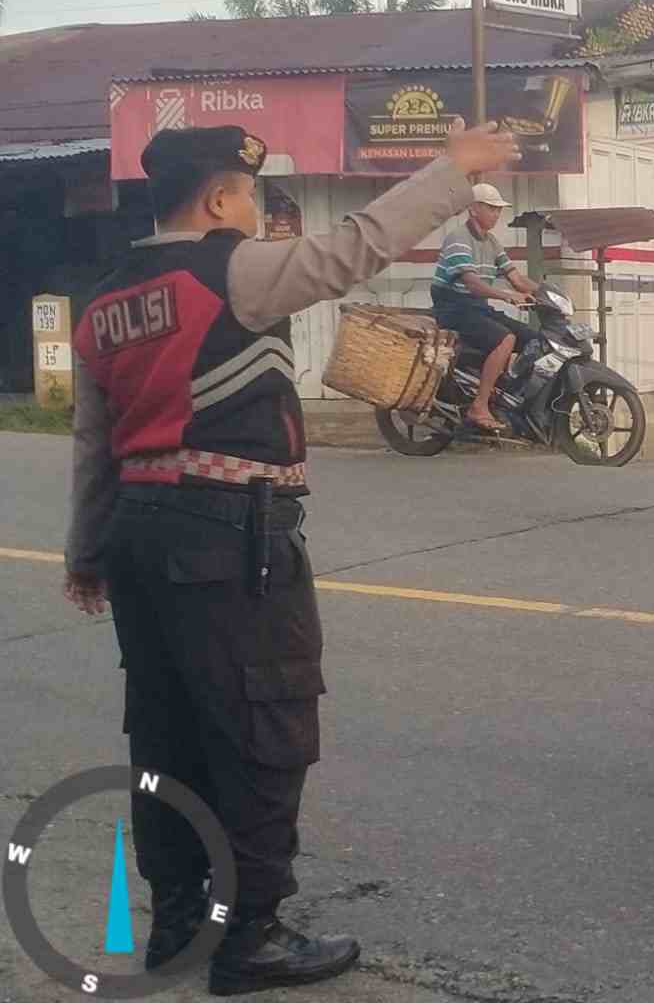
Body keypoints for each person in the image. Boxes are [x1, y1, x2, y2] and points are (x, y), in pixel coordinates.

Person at [64, 121, 520, 995]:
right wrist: (451, 171)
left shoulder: (105, 300)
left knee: (166, 734)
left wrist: (87, 552)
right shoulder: (228, 269)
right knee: (261, 732)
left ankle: (178, 925)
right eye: (248, 194)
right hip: (228, 531)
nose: (255, 212)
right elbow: (353, 250)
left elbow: (96, 443)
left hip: (138, 536)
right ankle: (252, 940)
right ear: (217, 199)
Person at [431, 182, 543, 433]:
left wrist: (545, 293)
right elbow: (472, 283)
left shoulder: (492, 242)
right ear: (474, 209)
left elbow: (515, 277)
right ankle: (479, 406)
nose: (497, 213)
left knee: (534, 340)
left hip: (476, 308)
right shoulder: (458, 239)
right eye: (491, 208)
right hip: (454, 308)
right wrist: (506, 296)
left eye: (498, 209)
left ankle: (503, 395)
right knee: (506, 338)